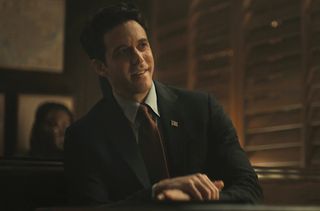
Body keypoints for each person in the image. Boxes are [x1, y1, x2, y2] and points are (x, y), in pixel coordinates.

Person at [64, 2, 263, 206]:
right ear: (100, 67)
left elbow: (250, 190)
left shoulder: (204, 109)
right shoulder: (84, 137)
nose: (139, 59)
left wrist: (190, 201)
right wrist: (156, 193)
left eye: (143, 45)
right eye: (123, 51)